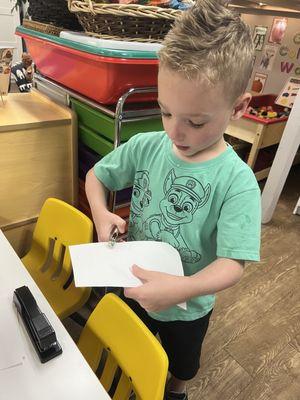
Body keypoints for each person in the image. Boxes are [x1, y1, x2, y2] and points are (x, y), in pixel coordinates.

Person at [85, 1, 261, 399]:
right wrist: (100, 214)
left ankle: (177, 390)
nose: (175, 133)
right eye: (165, 112)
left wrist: (182, 288)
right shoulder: (147, 146)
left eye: (196, 122)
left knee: (183, 361)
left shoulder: (238, 182)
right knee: (130, 344)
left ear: (238, 108)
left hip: (188, 305)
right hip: (132, 281)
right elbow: (96, 176)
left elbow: (233, 264)